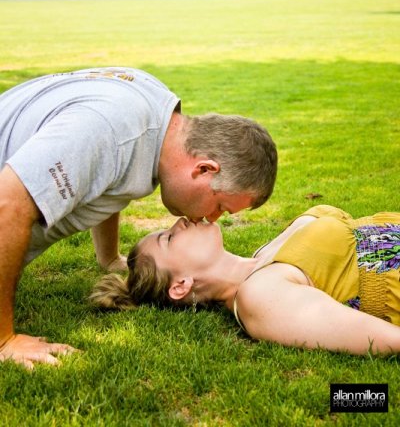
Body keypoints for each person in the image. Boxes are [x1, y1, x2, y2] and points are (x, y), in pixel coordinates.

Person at [0, 67, 277, 368]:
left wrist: (108, 258)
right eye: (220, 206)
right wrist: (5, 339)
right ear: (204, 169)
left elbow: (107, 174)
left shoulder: (155, 122)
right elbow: (7, 203)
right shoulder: (107, 129)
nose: (212, 218)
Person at [91, 205, 400, 356]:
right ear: (180, 285)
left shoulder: (263, 256)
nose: (180, 221)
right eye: (169, 239)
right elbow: (386, 339)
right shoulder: (260, 298)